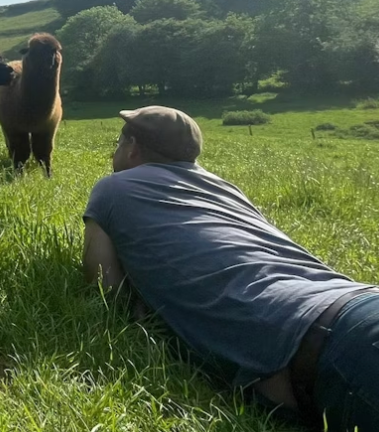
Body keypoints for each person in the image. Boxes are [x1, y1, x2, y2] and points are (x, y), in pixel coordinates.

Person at [82, 105, 379, 432]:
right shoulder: (226, 189)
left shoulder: (113, 188)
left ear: (133, 146)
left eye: (119, 140)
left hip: (334, 343)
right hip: (356, 303)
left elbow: (104, 286)